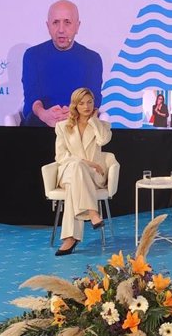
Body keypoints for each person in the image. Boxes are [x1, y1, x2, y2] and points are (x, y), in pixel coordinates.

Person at [21, 0, 103, 127]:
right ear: (48, 26)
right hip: (40, 123)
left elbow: (94, 99)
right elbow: (32, 97)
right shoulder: (32, 56)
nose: (61, 30)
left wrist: (73, 114)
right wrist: (44, 115)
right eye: (55, 22)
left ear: (77, 26)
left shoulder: (92, 59)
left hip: (78, 122)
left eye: (67, 22)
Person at [53, 87, 112, 256]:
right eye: (81, 103)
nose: (86, 106)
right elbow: (61, 156)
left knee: (74, 184)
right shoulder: (62, 127)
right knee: (77, 166)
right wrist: (87, 162)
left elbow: (103, 140)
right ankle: (93, 212)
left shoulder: (103, 125)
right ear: (75, 105)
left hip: (93, 177)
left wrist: (94, 121)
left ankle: (70, 238)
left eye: (89, 102)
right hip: (68, 172)